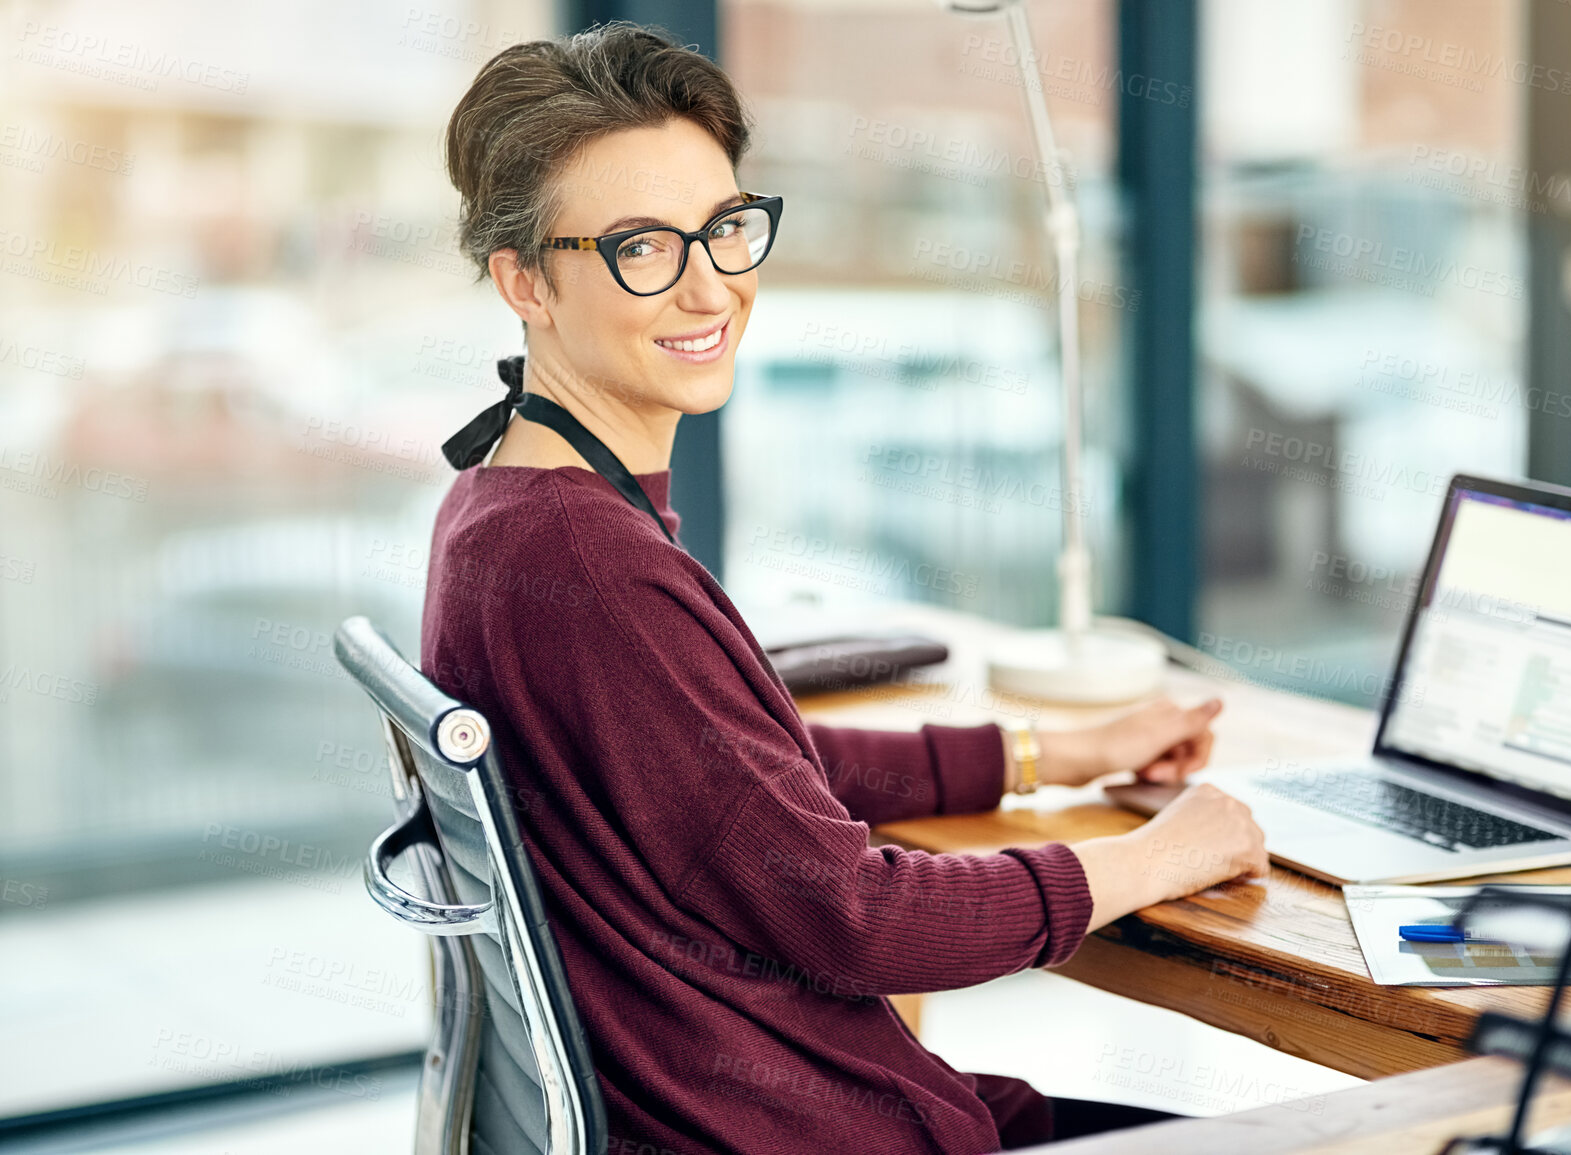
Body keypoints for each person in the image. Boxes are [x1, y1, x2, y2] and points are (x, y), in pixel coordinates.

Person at [422, 22, 1268, 1154]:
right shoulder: (592, 565)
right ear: (524, 280)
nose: (708, 287)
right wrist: (1163, 853)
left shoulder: (499, 507)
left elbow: (743, 779)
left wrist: (1049, 754)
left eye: (724, 229)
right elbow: (857, 920)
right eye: (640, 248)